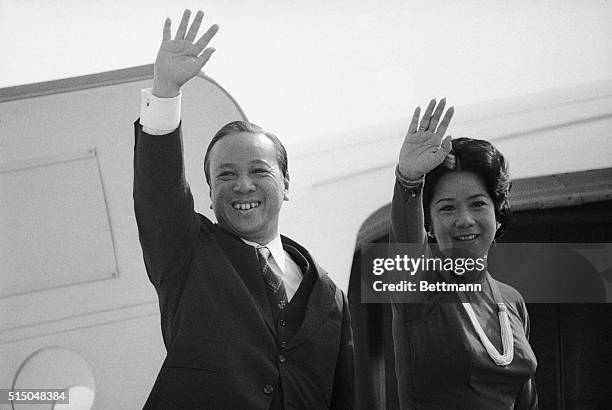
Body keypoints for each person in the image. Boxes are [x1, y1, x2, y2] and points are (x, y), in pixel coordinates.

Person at [133, 10, 354, 409]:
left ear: (286, 184)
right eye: (226, 175)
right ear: (211, 191)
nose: (243, 185)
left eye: (258, 170)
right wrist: (165, 91)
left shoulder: (329, 297)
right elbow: (159, 192)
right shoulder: (187, 256)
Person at [389, 99, 538, 408]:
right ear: (429, 225)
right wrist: (408, 181)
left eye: (478, 204)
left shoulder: (512, 301)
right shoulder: (421, 290)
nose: (465, 220)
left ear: (497, 215)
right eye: (447, 208)